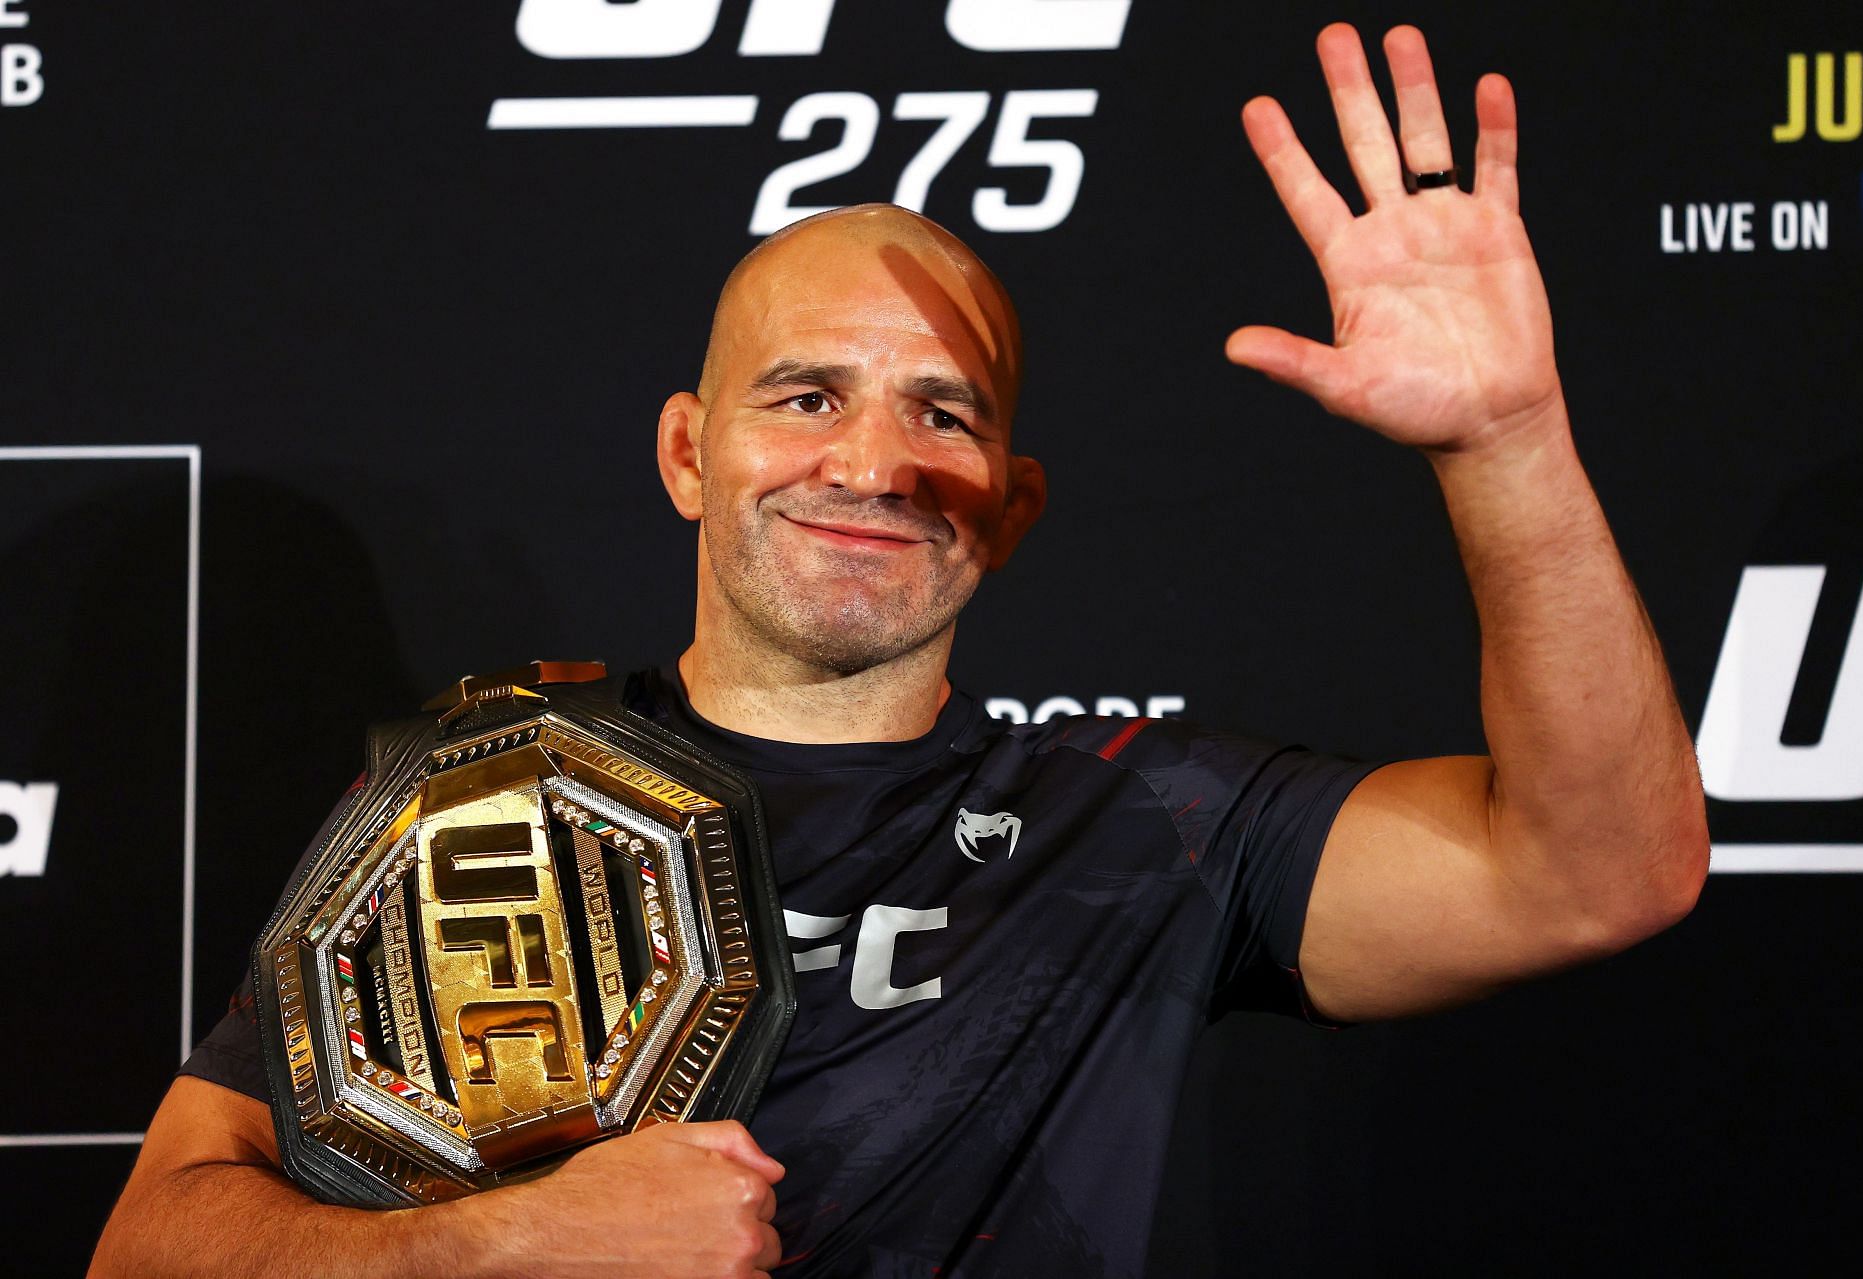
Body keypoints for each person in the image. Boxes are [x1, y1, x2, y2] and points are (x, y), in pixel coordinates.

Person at [92, 23, 1708, 1279]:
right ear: (684, 453)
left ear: (1010, 507)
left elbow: (1601, 872)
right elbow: (155, 1241)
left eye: (944, 413)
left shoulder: (1148, 824)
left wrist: (1507, 440)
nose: (871, 463)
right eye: (807, 397)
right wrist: (498, 1244)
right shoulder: (480, 804)